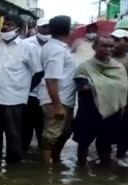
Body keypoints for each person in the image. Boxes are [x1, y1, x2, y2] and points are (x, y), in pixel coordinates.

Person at [0, 15, 42, 164]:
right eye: (4, 24)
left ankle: (13, 172)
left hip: (14, 100)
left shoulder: (28, 48)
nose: (5, 27)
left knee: (14, 139)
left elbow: (39, 72)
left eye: (10, 24)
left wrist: (25, 90)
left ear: (18, 29)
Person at [73, 36, 128, 166]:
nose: (108, 49)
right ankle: (81, 173)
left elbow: (122, 90)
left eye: (111, 46)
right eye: (104, 45)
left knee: (105, 145)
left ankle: (105, 176)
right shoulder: (84, 67)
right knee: (83, 145)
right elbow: (82, 87)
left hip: (111, 113)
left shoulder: (119, 68)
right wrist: (107, 86)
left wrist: (98, 85)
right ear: (94, 47)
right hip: (89, 112)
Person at [39, 16, 77, 165]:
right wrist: (57, 106)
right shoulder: (55, 49)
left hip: (64, 98)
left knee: (64, 133)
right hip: (56, 99)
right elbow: (51, 79)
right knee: (51, 135)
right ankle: (46, 171)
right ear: (68, 29)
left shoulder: (59, 47)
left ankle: (55, 162)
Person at [22, 17, 51, 153]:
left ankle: (42, 160)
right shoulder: (25, 44)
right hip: (29, 93)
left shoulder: (56, 45)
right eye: (43, 27)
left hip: (47, 94)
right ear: (37, 28)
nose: (46, 30)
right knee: (25, 128)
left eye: (48, 27)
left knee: (44, 130)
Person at [111, 29, 128, 158]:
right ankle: (104, 165)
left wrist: (123, 87)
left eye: (117, 40)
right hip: (107, 104)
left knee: (124, 137)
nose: (113, 42)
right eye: (112, 39)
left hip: (127, 104)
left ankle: (120, 161)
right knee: (104, 137)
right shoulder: (104, 58)